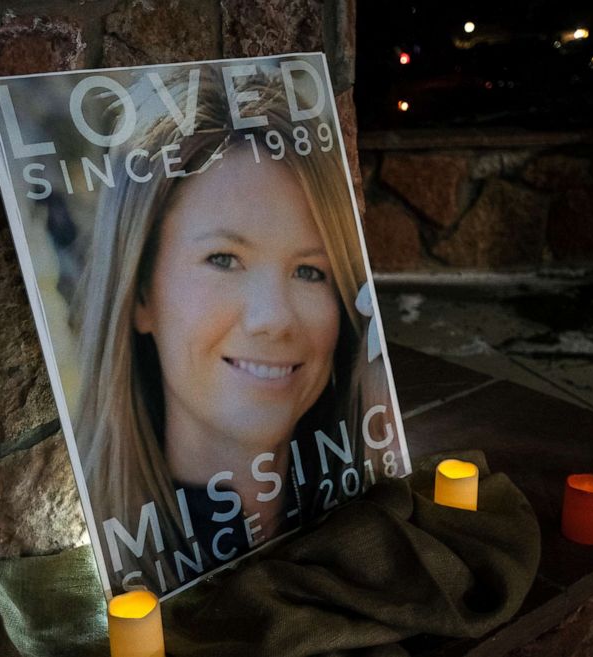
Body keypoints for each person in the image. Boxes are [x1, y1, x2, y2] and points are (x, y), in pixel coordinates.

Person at [70, 63, 401, 595]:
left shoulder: (363, 506)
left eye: (311, 271)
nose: (273, 318)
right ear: (141, 295)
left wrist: (381, 446)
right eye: (223, 259)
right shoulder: (100, 563)